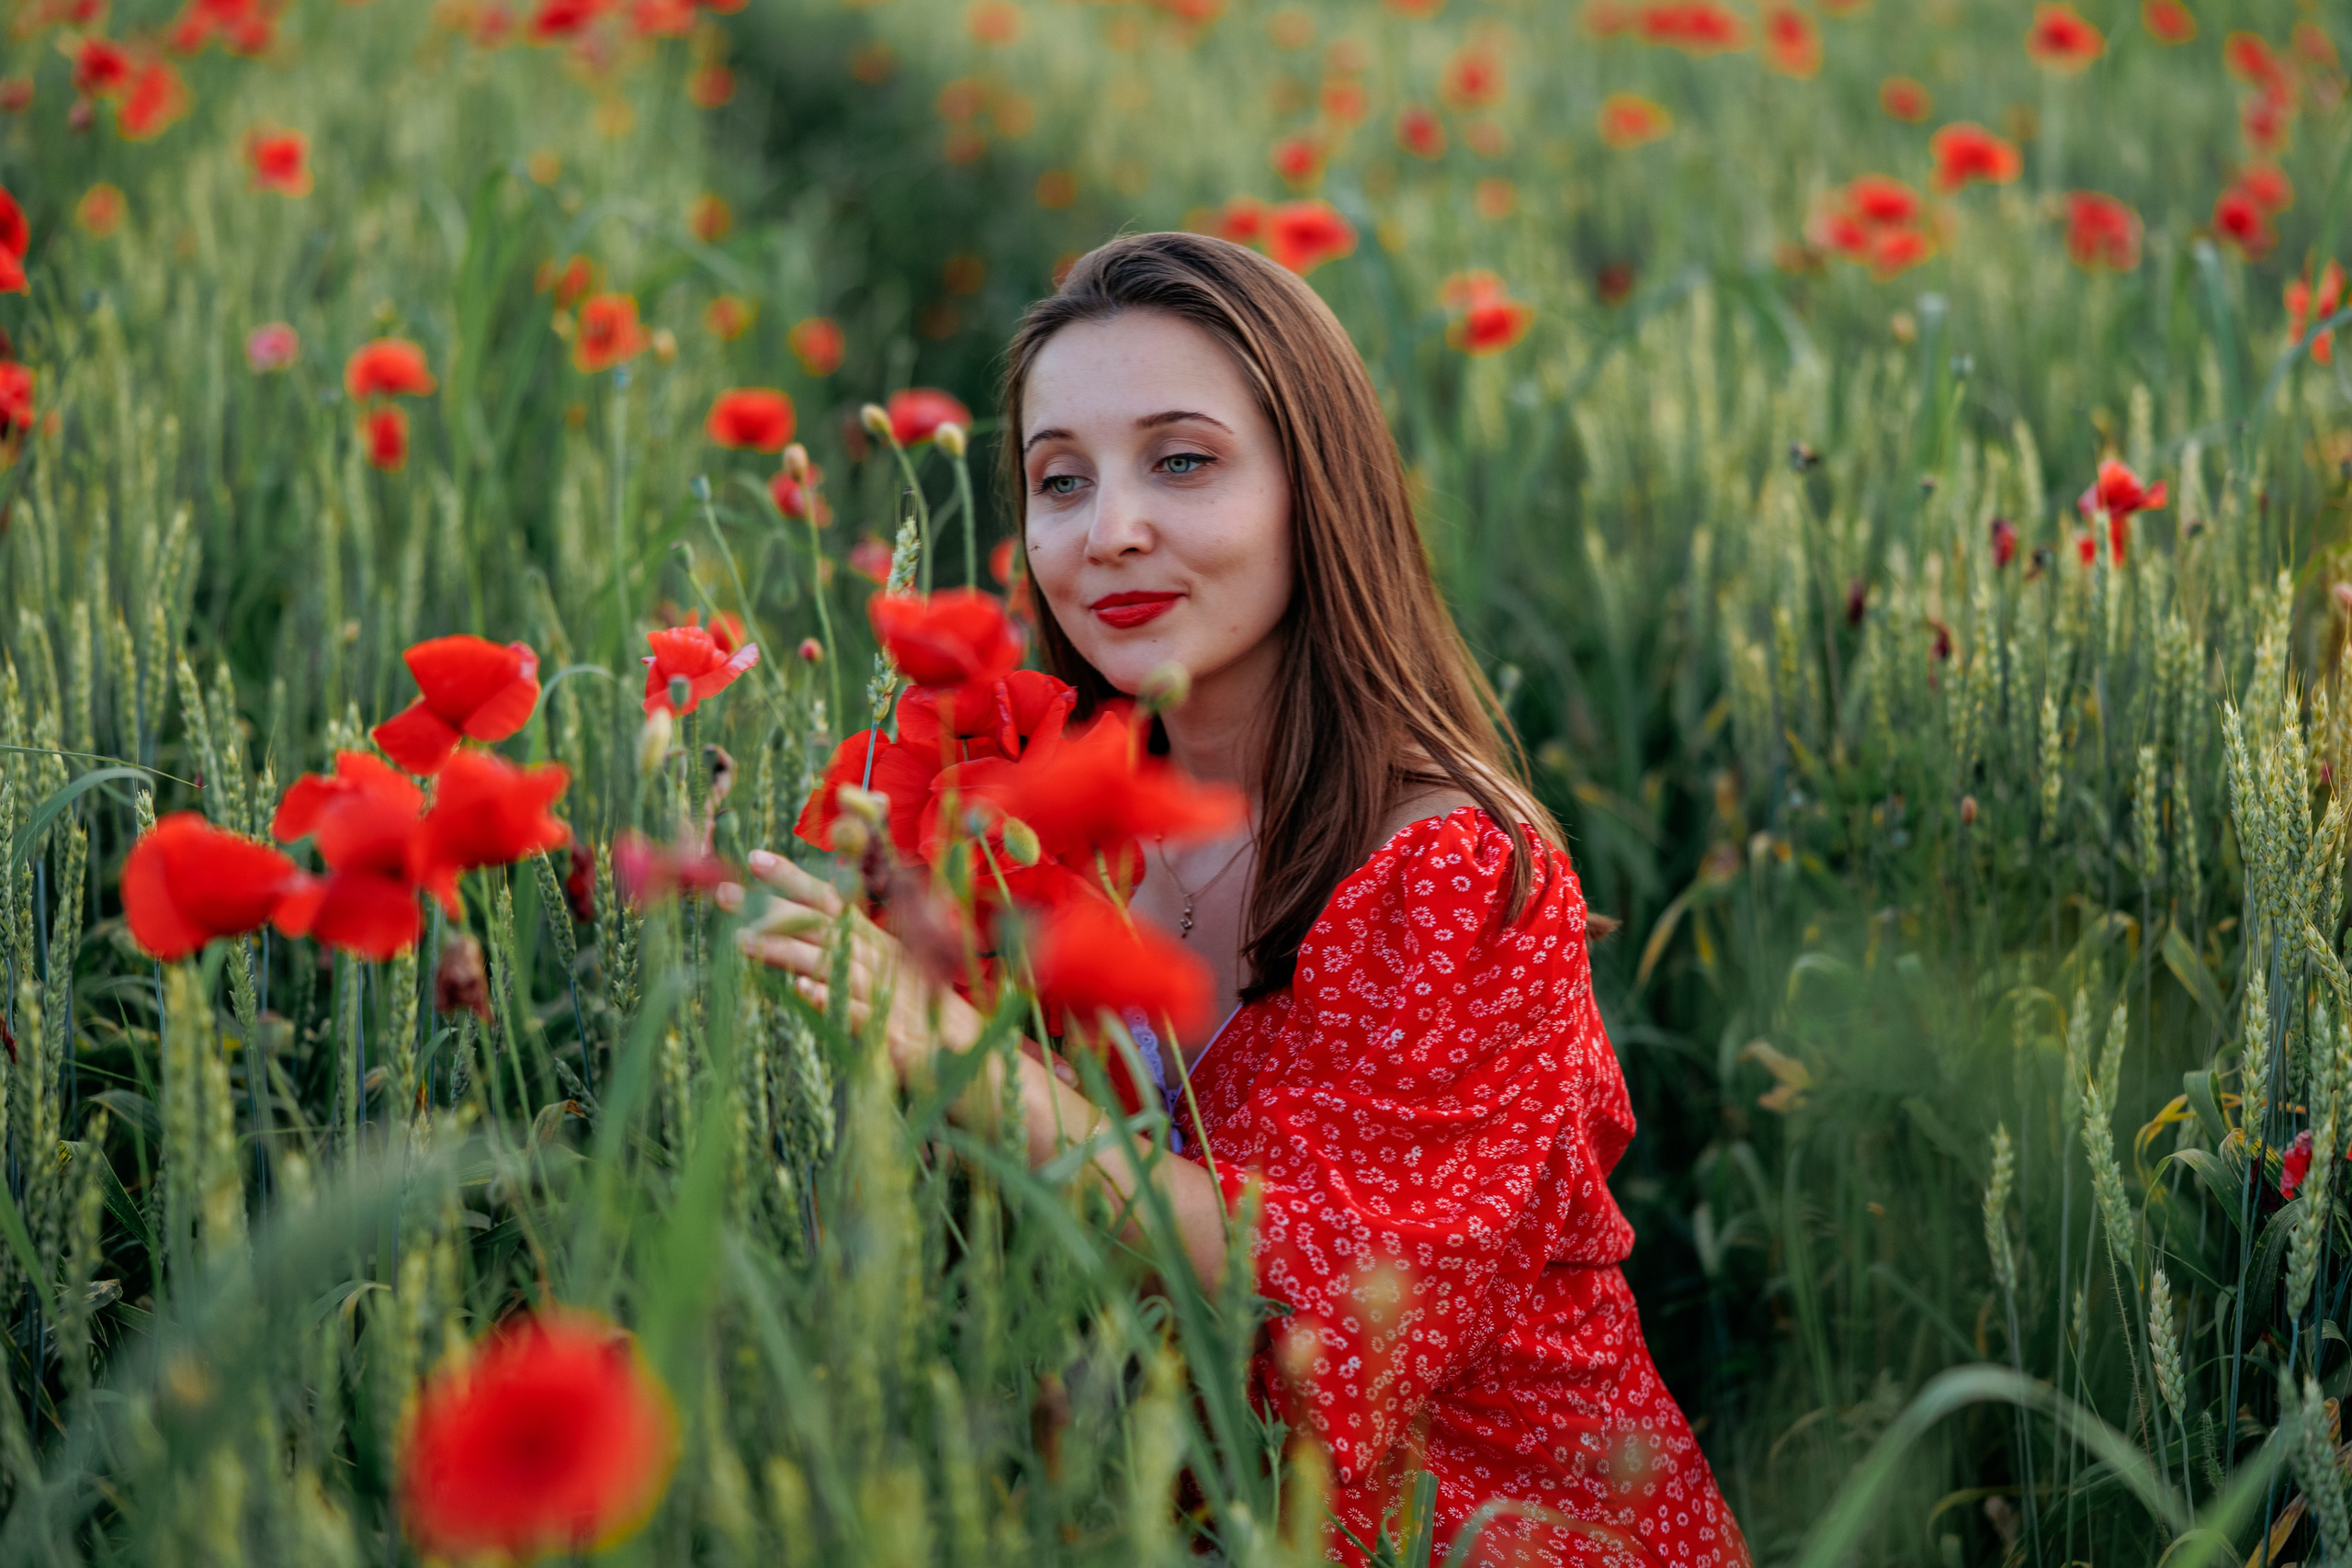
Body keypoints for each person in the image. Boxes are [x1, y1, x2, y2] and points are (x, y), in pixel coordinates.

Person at [730, 231, 1747, 1566]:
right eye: (1060, 481)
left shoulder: (1457, 869)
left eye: (1184, 461)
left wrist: (963, 1057)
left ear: (1313, 489)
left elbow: (1335, 1313)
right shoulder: (1027, 810)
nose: (1112, 533)